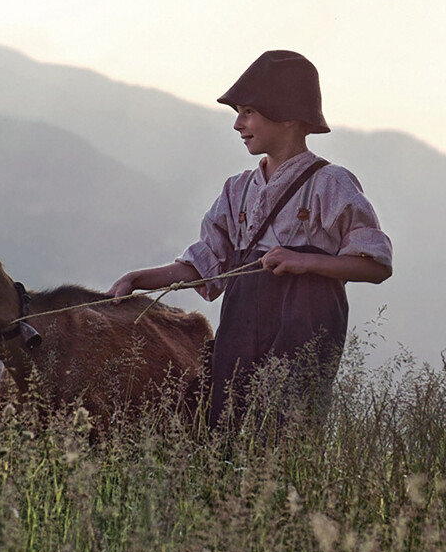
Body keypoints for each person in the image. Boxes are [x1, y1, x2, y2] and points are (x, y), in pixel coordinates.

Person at [110, 50, 392, 427]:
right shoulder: (238, 190)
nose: (238, 125)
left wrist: (304, 261)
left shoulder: (331, 183)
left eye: (248, 113)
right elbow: (206, 260)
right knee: (224, 419)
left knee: (284, 425)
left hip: (305, 323)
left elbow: (374, 265)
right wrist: (139, 279)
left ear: (288, 116)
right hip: (242, 323)